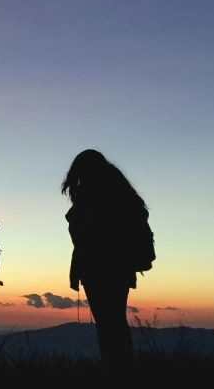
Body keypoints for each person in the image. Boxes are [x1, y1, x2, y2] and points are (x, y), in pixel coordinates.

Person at [61, 149, 155, 366]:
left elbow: (86, 233)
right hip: (119, 267)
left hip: (98, 267)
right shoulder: (119, 192)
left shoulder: (93, 196)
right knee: (114, 321)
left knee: (108, 323)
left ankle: (116, 366)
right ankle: (120, 365)